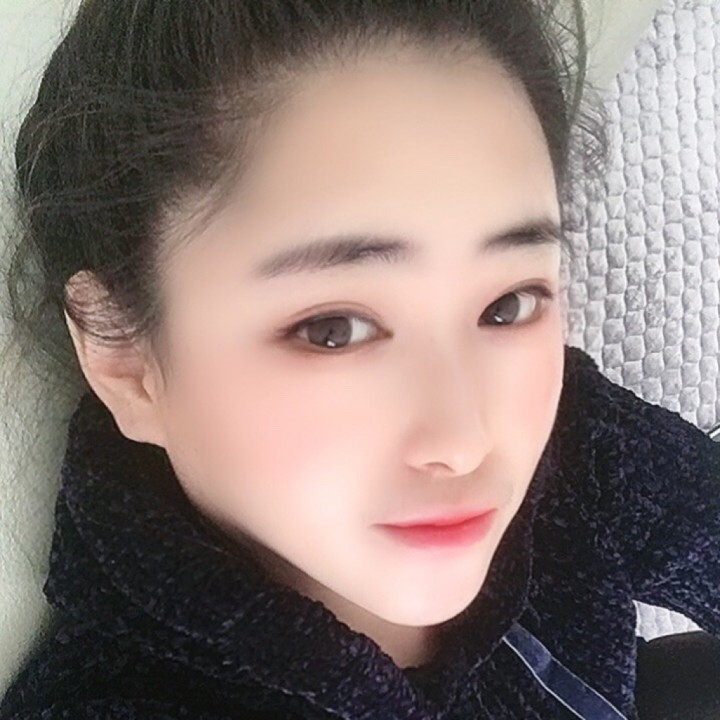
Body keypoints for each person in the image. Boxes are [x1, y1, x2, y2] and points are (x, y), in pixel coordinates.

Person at [0, 1, 718, 718]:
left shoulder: (575, 441)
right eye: (333, 330)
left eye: (507, 304)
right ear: (123, 353)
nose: (464, 441)